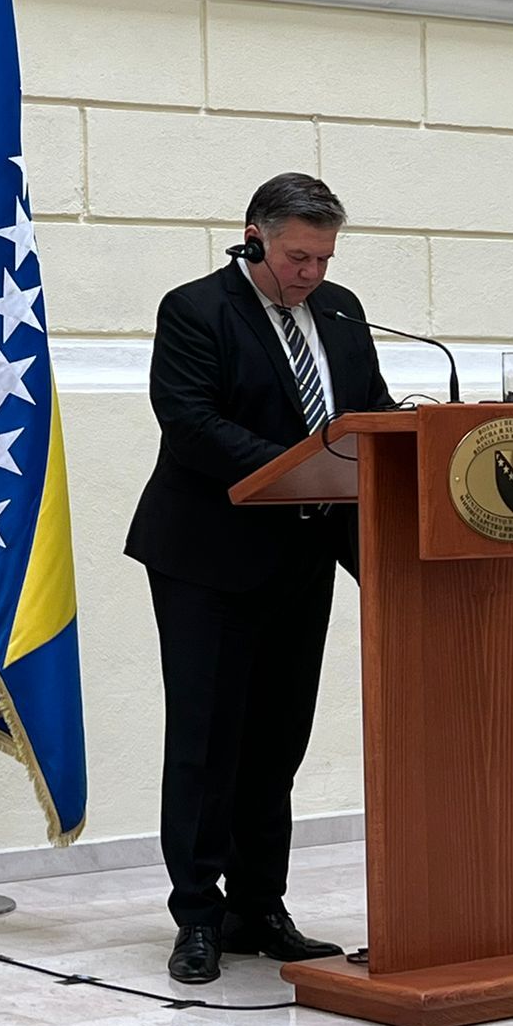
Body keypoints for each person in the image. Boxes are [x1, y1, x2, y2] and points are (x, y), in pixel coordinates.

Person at [125, 173, 395, 984]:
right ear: (253, 237)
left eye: (322, 257)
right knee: (208, 740)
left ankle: (260, 906)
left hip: (304, 556)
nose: (310, 274)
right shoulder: (196, 309)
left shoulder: (340, 313)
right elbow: (192, 421)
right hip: (209, 557)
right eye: (296, 257)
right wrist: (300, 467)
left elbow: (369, 413)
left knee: (278, 740)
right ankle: (198, 916)